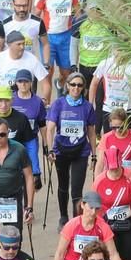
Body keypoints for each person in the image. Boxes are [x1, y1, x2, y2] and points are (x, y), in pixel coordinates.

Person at [46, 72, 96, 228]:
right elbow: (50, 129)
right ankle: (63, 217)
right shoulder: (59, 104)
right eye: (73, 84)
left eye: (80, 85)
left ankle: (76, 221)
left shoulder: (87, 106)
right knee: (63, 185)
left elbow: (91, 131)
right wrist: (50, 150)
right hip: (61, 151)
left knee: (76, 190)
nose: (76, 88)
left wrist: (94, 154)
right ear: (67, 85)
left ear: (83, 88)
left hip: (80, 152)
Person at [52, 191, 126, 260]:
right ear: (83, 205)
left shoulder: (103, 227)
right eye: (91, 208)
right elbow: (60, 253)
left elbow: (113, 254)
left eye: (97, 209)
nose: (93, 212)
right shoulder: (71, 225)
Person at [33, 0, 81, 99]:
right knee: (48, 73)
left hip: (66, 36)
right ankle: (47, 106)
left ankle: (60, 85)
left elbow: (78, 13)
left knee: (67, 73)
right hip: (48, 38)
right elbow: (36, 15)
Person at [88, 50, 131, 136]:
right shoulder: (105, 63)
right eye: (117, 50)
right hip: (109, 109)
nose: (119, 53)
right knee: (109, 141)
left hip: (128, 110)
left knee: (126, 141)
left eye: (121, 50)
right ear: (113, 49)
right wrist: (90, 104)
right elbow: (94, 83)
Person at [0, 30, 50, 107]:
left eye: (23, 44)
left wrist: (44, 100)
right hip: (5, 102)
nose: (22, 47)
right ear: (9, 45)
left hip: (26, 101)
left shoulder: (32, 59)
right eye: (18, 44)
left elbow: (46, 83)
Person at [12, 69, 47, 190]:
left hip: (31, 139)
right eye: (20, 81)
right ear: (16, 83)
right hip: (14, 140)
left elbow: (42, 124)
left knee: (32, 170)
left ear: (31, 83)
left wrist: (46, 144)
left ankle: (31, 193)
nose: (23, 84)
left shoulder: (37, 102)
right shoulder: (11, 99)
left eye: (26, 81)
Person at [0, 0, 50, 65]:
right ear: (13, 5)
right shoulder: (4, 24)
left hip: (30, 66)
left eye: (24, 5)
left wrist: (46, 63)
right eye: (18, 6)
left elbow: (45, 44)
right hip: (9, 66)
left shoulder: (38, 22)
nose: (22, 9)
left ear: (29, 4)